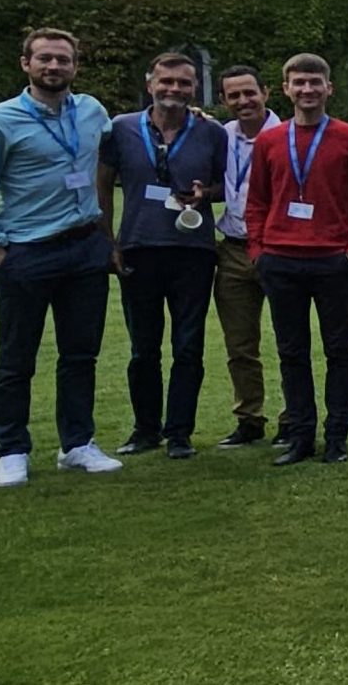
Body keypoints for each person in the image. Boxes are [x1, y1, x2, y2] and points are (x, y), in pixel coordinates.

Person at [0, 28, 122, 488]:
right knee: (16, 357)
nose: (54, 67)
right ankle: (11, 450)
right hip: (27, 251)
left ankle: (77, 444)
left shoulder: (92, 112)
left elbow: (121, 140)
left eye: (63, 60)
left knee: (80, 354)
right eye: (45, 59)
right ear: (26, 63)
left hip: (84, 246)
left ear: (75, 66)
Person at [241, 53, 348, 466]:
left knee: (339, 351)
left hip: (332, 261)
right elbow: (258, 200)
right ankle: (300, 435)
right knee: (291, 352)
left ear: (328, 88)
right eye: (298, 83)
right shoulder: (269, 140)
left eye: (315, 83)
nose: (307, 90)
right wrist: (258, 251)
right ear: (284, 89)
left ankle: (337, 435)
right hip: (281, 260)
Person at [99, 51, 226, 460]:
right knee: (143, 347)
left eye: (184, 83)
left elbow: (228, 187)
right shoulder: (120, 129)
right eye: (166, 81)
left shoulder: (212, 132)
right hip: (139, 247)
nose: (174, 89)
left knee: (189, 344)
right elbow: (101, 186)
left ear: (195, 88)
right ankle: (145, 429)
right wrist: (109, 242)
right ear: (150, 83)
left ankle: (180, 433)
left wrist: (205, 193)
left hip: (193, 251)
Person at [211, 65, 278, 448]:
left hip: (278, 247)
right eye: (233, 95)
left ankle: (293, 419)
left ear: (266, 92)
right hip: (233, 249)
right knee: (239, 344)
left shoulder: (287, 135)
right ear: (223, 100)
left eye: (249, 92)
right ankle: (249, 419)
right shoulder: (219, 137)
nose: (243, 101)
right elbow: (222, 185)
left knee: (290, 339)